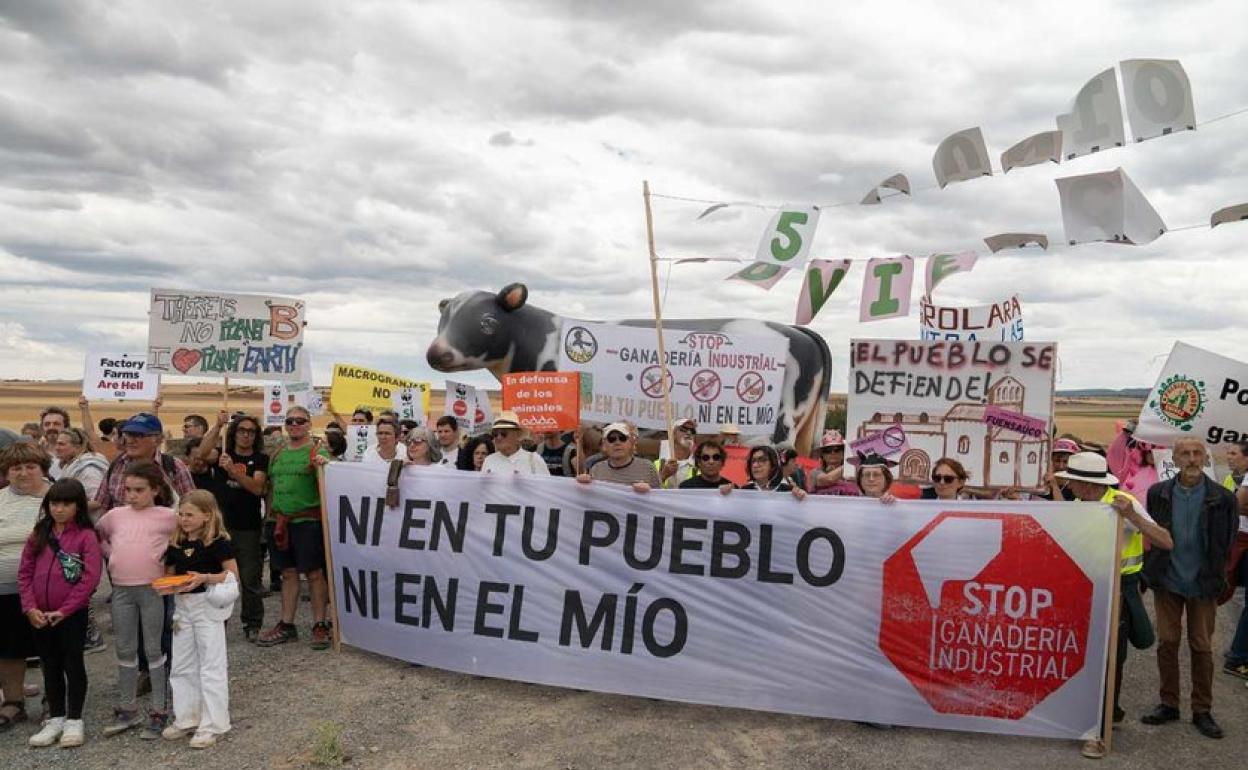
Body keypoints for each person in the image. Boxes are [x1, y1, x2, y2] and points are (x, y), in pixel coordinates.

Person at [1052, 453, 1173, 759]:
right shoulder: (1080, 505)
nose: (1073, 487)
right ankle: (1102, 713)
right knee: (1088, 656)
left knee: (1110, 660)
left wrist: (1131, 516)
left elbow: (1165, 541)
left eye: (1075, 482)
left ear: (1086, 483)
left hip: (1121, 590)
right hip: (1086, 590)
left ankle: (1100, 730)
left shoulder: (1123, 501)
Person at [1139, 437, 1237, 740]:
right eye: (1185, 454)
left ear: (1206, 459)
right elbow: (1153, 533)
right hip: (1167, 580)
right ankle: (1168, 704)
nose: (1192, 459)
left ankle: (1202, 710)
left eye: (1197, 454)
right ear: (1175, 458)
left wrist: (1219, 578)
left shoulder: (1223, 498)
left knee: (1202, 646)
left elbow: (1227, 542)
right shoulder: (1158, 493)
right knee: (1167, 642)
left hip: (1203, 583)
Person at [96, 460, 178, 738]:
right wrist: (112, 555)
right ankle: (127, 709)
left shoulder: (168, 516)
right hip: (121, 590)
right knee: (125, 648)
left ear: (155, 489)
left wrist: (166, 562)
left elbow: (184, 538)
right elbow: (97, 536)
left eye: (139, 490)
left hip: (152, 590)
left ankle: (159, 710)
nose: (132, 495)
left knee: (154, 649)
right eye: (128, 489)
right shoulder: (115, 516)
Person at [19, 479, 102, 748]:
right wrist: (30, 607)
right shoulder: (39, 533)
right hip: (40, 615)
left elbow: (90, 578)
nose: (59, 509)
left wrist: (65, 610)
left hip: (71, 614)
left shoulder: (86, 536)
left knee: (72, 664)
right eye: (55, 503)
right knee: (49, 665)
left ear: (78, 506)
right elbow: (25, 572)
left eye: (66, 504)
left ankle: (74, 719)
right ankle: (55, 716)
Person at [159, 490, 239, 748]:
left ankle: (213, 722)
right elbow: (170, 574)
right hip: (183, 606)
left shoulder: (218, 543)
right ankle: (186, 716)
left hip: (206, 604)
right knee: (181, 663)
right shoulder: (176, 544)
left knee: (211, 664)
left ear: (207, 515)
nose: (184, 519)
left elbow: (231, 575)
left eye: (190, 515)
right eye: (181, 514)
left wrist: (204, 577)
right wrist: (169, 586)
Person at [257, 406, 333, 650]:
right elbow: (270, 487)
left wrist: (324, 466)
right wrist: (270, 518)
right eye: (290, 421)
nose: (294, 425)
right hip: (279, 522)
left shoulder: (317, 451)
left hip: (307, 522)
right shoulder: (278, 452)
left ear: (309, 424)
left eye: (300, 421)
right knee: (288, 573)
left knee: (314, 573)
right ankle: (287, 625)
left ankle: (320, 624)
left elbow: (331, 482)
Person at [199, 413, 269, 641]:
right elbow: (202, 452)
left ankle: (252, 623)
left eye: (251, 431)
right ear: (234, 432)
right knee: (219, 577)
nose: (246, 435)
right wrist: (217, 424)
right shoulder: (222, 455)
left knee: (250, 579)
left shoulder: (259, 460)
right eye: (242, 430)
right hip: (220, 528)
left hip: (248, 527)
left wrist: (233, 472)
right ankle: (218, 622)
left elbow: (257, 488)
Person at [0, 442, 52, 732]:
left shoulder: (56, 500)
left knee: (49, 648)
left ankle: (52, 700)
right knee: (9, 648)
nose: (23, 473)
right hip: (3, 589)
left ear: (42, 469)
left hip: (45, 589)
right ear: (6, 473)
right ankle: (13, 702)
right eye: (15, 468)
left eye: (30, 466)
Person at [91, 412, 195, 515]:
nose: (131, 441)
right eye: (128, 435)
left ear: (157, 439)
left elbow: (193, 507)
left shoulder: (174, 467)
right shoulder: (117, 465)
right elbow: (100, 505)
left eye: (139, 435)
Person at [1222, 439, 1248, 678]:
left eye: (1233, 453)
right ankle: (1238, 656)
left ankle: (1238, 650)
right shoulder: (1239, 480)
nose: (1229, 456)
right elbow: (1237, 505)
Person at [577, 422, 660, 492]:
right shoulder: (597, 469)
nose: (617, 442)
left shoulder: (647, 468)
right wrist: (582, 485)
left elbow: (660, 500)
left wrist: (649, 492)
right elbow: (591, 499)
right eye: (611, 439)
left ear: (631, 443)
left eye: (622, 438)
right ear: (604, 445)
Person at [482, 412, 549, 476]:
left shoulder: (533, 460)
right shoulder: (489, 461)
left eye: (504, 434)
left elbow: (545, 486)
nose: (498, 437)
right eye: (495, 434)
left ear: (517, 435)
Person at [52, 427, 108, 500]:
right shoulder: (70, 465)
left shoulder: (89, 470)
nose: (57, 448)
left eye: (61, 444)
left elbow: (98, 501)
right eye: (56, 444)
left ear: (77, 447)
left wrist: (71, 508)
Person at [733, 445, 806, 499]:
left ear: (773, 465)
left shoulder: (788, 492)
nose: (755, 465)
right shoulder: (745, 491)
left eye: (762, 460)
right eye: (753, 461)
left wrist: (803, 498)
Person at [809, 431, 858, 496]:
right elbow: (828, 479)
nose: (833, 453)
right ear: (822, 455)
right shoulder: (815, 472)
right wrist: (850, 464)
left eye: (837, 450)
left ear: (843, 452)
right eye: (828, 450)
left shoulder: (854, 472)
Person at [657, 418, 697, 489]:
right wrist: (663, 476)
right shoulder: (658, 462)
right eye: (683, 430)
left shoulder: (700, 463)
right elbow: (649, 492)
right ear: (673, 435)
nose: (689, 433)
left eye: (692, 431)